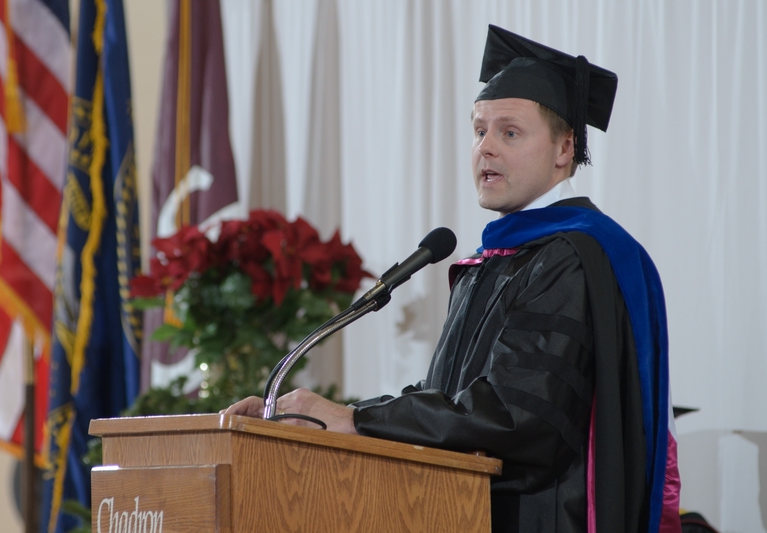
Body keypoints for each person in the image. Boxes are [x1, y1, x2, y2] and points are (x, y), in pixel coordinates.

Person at [225, 25, 681, 533]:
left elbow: (515, 413)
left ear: (563, 149)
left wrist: (358, 421)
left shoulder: (571, 256)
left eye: (510, 132)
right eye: (479, 129)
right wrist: (325, 417)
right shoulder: (500, 256)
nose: (485, 147)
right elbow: (452, 396)